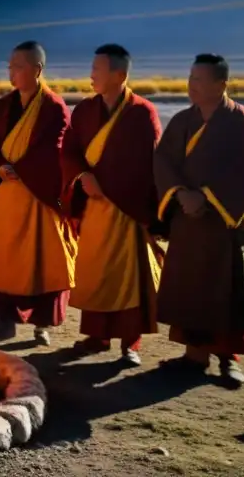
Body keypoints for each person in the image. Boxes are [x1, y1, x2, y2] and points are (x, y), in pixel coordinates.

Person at [153, 53, 244, 387]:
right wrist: (181, 194)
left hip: (226, 223)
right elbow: (163, 161)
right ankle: (193, 356)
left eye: (200, 79)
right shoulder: (182, 121)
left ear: (221, 84)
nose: (191, 85)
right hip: (187, 220)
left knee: (226, 290)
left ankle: (228, 358)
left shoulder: (243, 122)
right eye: (190, 77)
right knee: (190, 287)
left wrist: (206, 197)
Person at [61, 44, 163, 366]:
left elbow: (147, 165)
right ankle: (96, 336)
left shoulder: (141, 113)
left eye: (98, 69)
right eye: (91, 67)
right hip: (94, 207)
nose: (91, 74)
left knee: (127, 277)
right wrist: (82, 178)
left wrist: (135, 204)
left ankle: (129, 344)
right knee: (94, 272)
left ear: (120, 75)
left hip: (127, 210)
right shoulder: (85, 110)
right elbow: (70, 151)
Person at [0, 41, 75, 345]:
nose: (11, 72)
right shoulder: (3, 107)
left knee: (44, 261)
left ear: (37, 70)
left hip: (39, 197)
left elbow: (55, 148)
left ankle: (41, 326)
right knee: (6, 261)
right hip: (8, 196)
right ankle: (4, 322)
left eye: (18, 66)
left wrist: (22, 169)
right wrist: (0, 168)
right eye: (10, 66)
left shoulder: (54, 107)